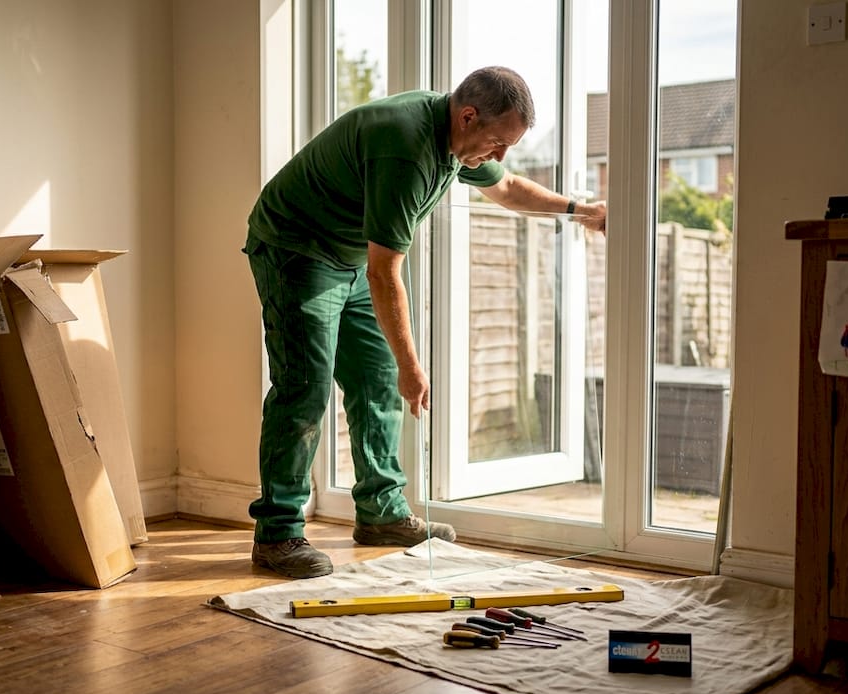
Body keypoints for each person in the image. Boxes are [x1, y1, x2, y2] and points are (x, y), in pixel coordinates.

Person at [243, 66, 607, 578]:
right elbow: (385, 271)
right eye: (498, 142)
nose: (499, 155)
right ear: (468, 115)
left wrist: (578, 209)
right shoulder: (406, 147)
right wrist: (413, 366)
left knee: (376, 381)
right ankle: (277, 535)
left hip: (349, 257)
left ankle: (381, 514)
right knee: (304, 385)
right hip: (296, 249)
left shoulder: (459, 143)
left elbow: (508, 189)